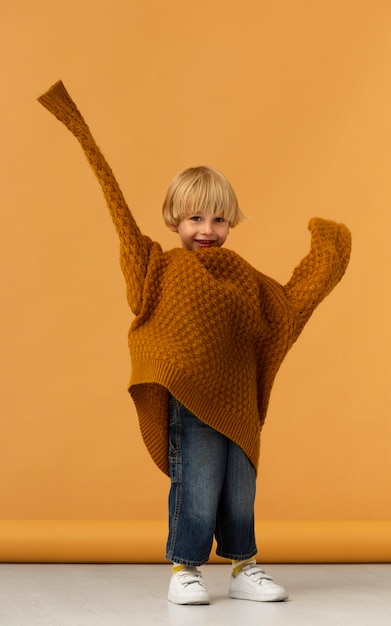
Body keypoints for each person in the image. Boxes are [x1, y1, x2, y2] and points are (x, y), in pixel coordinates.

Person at [38, 81, 352, 606]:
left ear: (231, 221)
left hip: (239, 402)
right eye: (195, 217)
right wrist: (80, 130)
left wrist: (327, 255)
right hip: (191, 397)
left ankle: (243, 565)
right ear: (173, 220)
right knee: (198, 485)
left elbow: (286, 309)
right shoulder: (158, 267)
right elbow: (117, 210)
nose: (207, 229)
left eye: (219, 218)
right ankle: (185, 568)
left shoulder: (241, 275)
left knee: (240, 491)